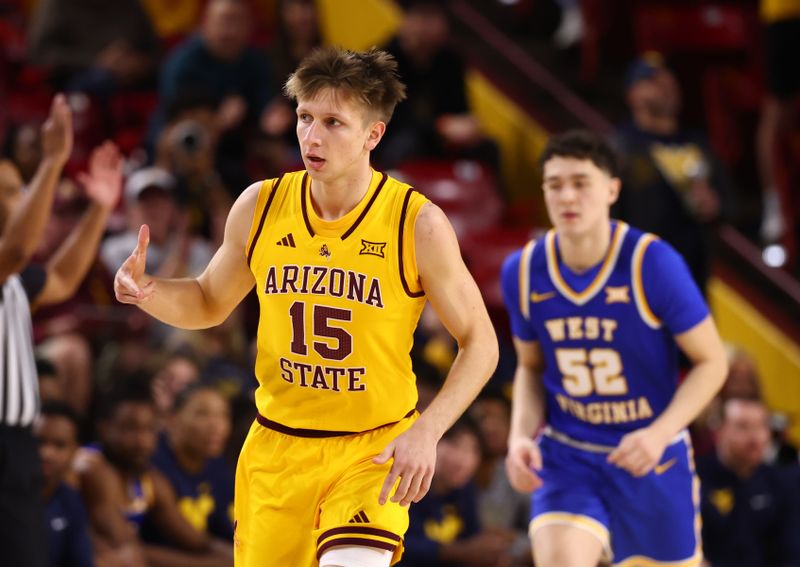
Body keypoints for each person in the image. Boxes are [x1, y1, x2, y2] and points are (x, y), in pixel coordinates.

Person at [114, 45, 498, 567]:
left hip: (372, 451)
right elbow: (208, 301)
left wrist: (427, 431)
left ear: (373, 135)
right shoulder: (260, 205)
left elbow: (481, 343)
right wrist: (149, 291)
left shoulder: (417, 224)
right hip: (277, 450)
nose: (312, 137)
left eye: (334, 122)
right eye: (304, 117)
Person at [501, 130, 728, 566]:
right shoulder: (524, 270)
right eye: (555, 184)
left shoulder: (653, 263)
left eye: (581, 183)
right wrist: (518, 437)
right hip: (569, 454)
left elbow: (712, 362)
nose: (567, 196)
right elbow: (530, 367)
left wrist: (659, 433)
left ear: (611, 189)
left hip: (650, 455)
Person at [0, 94, 72, 567]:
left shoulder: (13, 280)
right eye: (8, 190)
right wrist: (51, 163)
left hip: (16, 446)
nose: (21, 197)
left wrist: (101, 208)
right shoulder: (9, 262)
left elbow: (62, 279)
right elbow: (21, 248)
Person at [611, 53, 734, 292]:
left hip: (695, 278)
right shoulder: (621, 149)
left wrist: (716, 204)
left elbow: (731, 202)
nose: (666, 85)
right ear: (632, 94)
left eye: (669, 79)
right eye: (653, 81)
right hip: (642, 280)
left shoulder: (697, 144)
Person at [697, 397, 800, 567]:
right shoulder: (696, 479)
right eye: (742, 427)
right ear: (719, 430)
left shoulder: (783, 482)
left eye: (761, 426)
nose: (755, 437)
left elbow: (792, 553)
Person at [402, 415, 516, 567]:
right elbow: (401, 546)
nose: (464, 459)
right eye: (455, 445)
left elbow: (472, 537)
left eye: (474, 450)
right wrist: (459, 551)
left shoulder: (466, 490)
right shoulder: (404, 484)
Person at [150, 383, 235, 541]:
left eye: (223, 415)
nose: (216, 425)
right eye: (202, 414)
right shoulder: (152, 463)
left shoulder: (218, 466)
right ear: (172, 419)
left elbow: (231, 534)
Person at [34, 402, 95, 567]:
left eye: (59, 445)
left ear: (74, 451)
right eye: (39, 442)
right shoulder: (7, 497)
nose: (46, 453)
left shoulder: (71, 501)